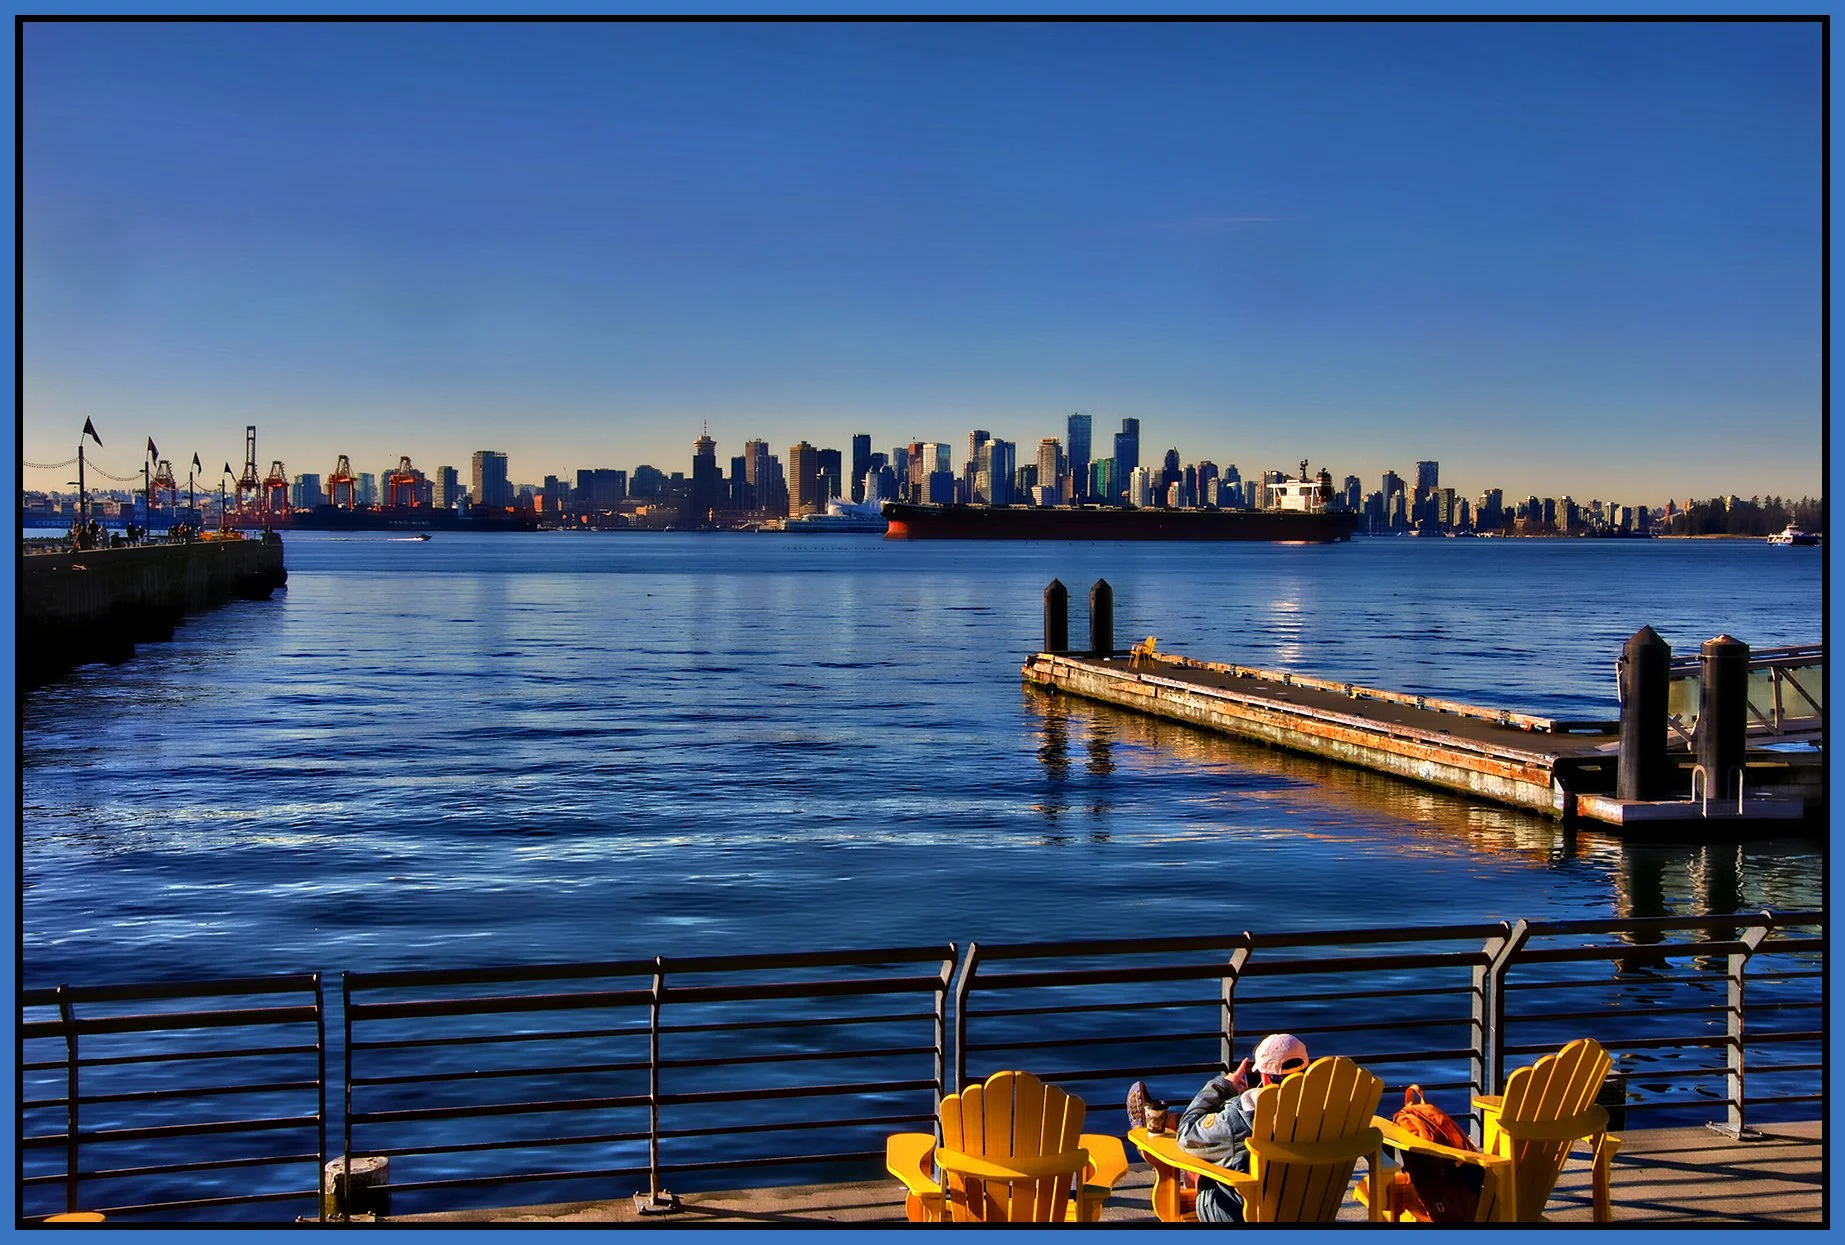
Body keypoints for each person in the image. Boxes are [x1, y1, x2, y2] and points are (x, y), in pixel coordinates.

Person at [1174, 1033, 1311, 1223]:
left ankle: (1154, 1123)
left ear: (1265, 1077)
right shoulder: (1327, 1108)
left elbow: (1186, 1135)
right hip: (1308, 1209)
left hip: (1243, 1213)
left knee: (1201, 1161)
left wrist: (1223, 1086)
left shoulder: (1240, 1117)